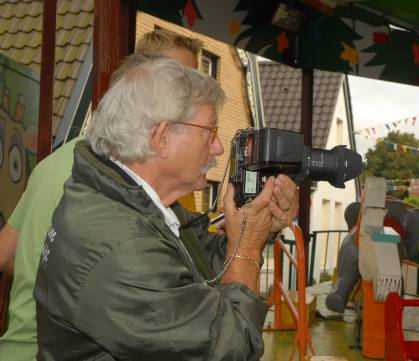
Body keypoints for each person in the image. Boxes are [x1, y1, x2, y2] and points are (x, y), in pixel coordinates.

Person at [33, 53, 298, 360]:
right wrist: (248, 247)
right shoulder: (123, 247)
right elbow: (228, 345)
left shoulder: (128, 200)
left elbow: (195, 269)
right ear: (162, 137)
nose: (219, 147)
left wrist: (254, 228)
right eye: (210, 132)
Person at [0, 28, 204, 361]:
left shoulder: (57, 161)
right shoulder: (124, 175)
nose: (194, 100)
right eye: (182, 86)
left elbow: (8, 253)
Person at [325, 202, 361, 313]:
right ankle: (339, 294)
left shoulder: (350, 237)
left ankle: (339, 293)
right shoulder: (354, 237)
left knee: (346, 276)